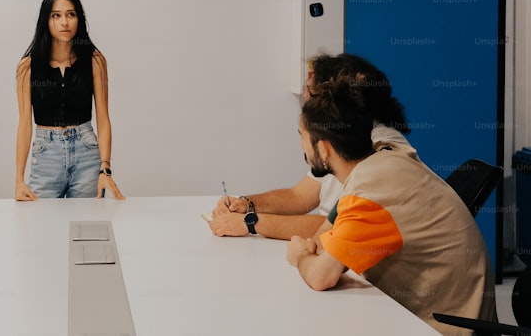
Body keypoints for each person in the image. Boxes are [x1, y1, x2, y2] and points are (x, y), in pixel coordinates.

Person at [285, 76, 496, 334]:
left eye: (302, 137)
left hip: (446, 327)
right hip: (447, 312)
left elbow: (321, 276)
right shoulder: (384, 157)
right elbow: (325, 235)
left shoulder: (370, 195)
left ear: (325, 148)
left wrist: (301, 256)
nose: (301, 147)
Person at [208, 53, 414, 240]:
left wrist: (252, 223)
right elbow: (299, 196)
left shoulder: (374, 146)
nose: (306, 97)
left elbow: (339, 226)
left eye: (312, 90)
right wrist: (246, 204)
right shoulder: (341, 136)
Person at [14, 0, 125, 200]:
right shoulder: (27, 67)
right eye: (56, 15)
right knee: (41, 226)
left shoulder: (95, 62)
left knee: (87, 226)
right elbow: (25, 124)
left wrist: (105, 168)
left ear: (79, 19)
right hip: (46, 156)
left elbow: (103, 119)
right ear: (46, 21)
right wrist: (18, 180)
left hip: (86, 153)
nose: (64, 22)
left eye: (70, 14)